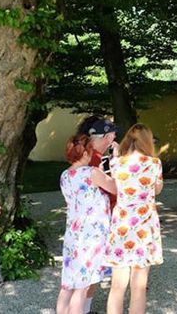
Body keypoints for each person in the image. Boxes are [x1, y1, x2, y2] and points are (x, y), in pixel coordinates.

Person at [106, 124, 164, 314]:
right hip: (144, 226)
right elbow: (157, 190)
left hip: (121, 225)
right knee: (139, 287)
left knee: (117, 286)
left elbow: (116, 188)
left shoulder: (116, 163)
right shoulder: (154, 163)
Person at [56, 135, 116, 314]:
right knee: (82, 287)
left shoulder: (65, 175)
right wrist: (114, 164)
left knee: (67, 286)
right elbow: (114, 188)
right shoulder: (91, 173)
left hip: (73, 234)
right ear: (85, 153)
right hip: (91, 236)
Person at [75, 116, 118, 313]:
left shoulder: (90, 156)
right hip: (93, 226)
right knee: (88, 276)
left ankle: (85, 309)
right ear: (107, 137)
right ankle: (82, 310)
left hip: (83, 224)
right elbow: (114, 189)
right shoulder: (93, 161)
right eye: (112, 135)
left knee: (90, 275)